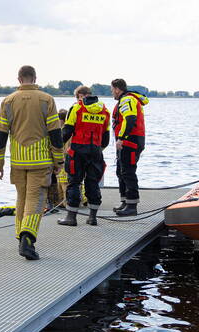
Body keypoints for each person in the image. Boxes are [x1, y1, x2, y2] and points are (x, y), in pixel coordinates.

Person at [0, 65, 64, 260]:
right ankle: (27, 237)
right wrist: (59, 160)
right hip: (40, 161)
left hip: (17, 161)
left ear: (19, 79)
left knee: (22, 198)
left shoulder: (8, 101)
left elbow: (0, 134)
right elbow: (55, 134)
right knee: (35, 199)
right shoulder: (47, 100)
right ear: (35, 78)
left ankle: (21, 237)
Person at [57, 85, 110, 226]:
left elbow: (66, 132)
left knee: (74, 182)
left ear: (80, 96)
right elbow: (106, 139)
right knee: (93, 183)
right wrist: (97, 149)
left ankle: (71, 217)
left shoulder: (77, 108)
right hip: (96, 152)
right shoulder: (105, 111)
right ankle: (92, 217)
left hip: (77, 151)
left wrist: (56, 146)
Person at [110, 78, 148, 216]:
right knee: (121, 171)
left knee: (128, 172)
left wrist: (122, 138)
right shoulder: (126, 100)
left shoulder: (127, 100)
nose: (112, 93)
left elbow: (130, 119)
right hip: (128, 141)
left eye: (112, 90)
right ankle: (125, 201)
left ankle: (132, 205)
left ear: (117, 89)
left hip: (130, 141)